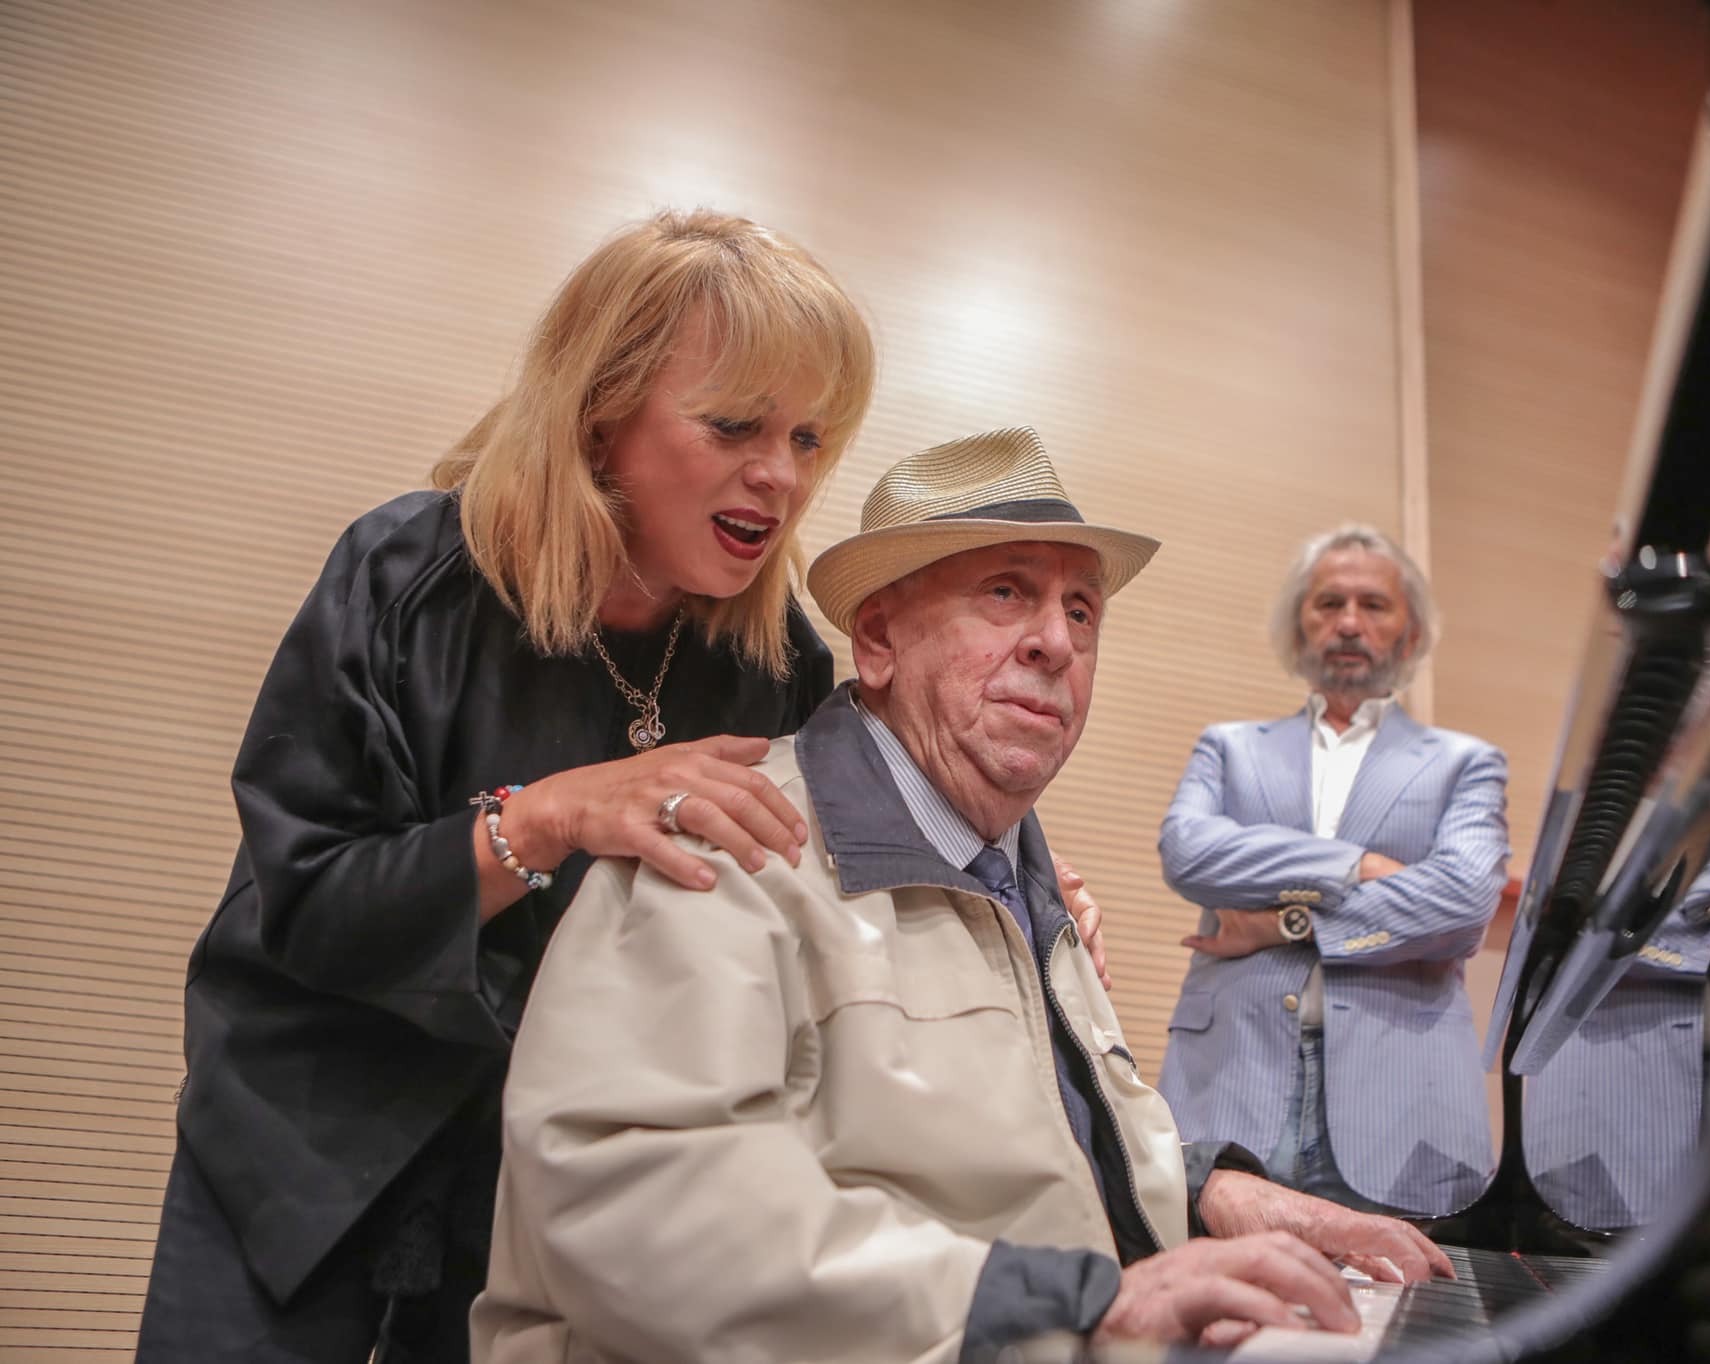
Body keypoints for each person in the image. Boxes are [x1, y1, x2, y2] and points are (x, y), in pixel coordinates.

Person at [473, 428, 1454, 1364]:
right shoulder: (732, 845)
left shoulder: (1019, 881)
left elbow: (1046, 1151)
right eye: (1004, 592)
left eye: (1081, 610)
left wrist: (1214, 1194)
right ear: (878, 638)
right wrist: (1079, 1304)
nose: (1055, 641)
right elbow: (642, 1208)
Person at [136, 209, 879, 1361]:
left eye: (810, 436)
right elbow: (313, 907)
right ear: (598, 415)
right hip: (302, 1147)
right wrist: (546, 816)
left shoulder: (777, 663)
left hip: (548, 1189)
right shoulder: (406, 575)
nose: (780, 474)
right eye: (734, 423)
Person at [1156, 524, 1509, 1220]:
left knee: (1408, 1291)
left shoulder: (1465, 763)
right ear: (1300, 626)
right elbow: (1190, 853)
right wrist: (1357, 864)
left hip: (1404, 1104)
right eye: (1329, 603)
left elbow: (1463, 902)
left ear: (1411, 633)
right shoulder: (1229, 748)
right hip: (1229, 1080)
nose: (1349, 622)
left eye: (1374, 605)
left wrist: (1285, 924)